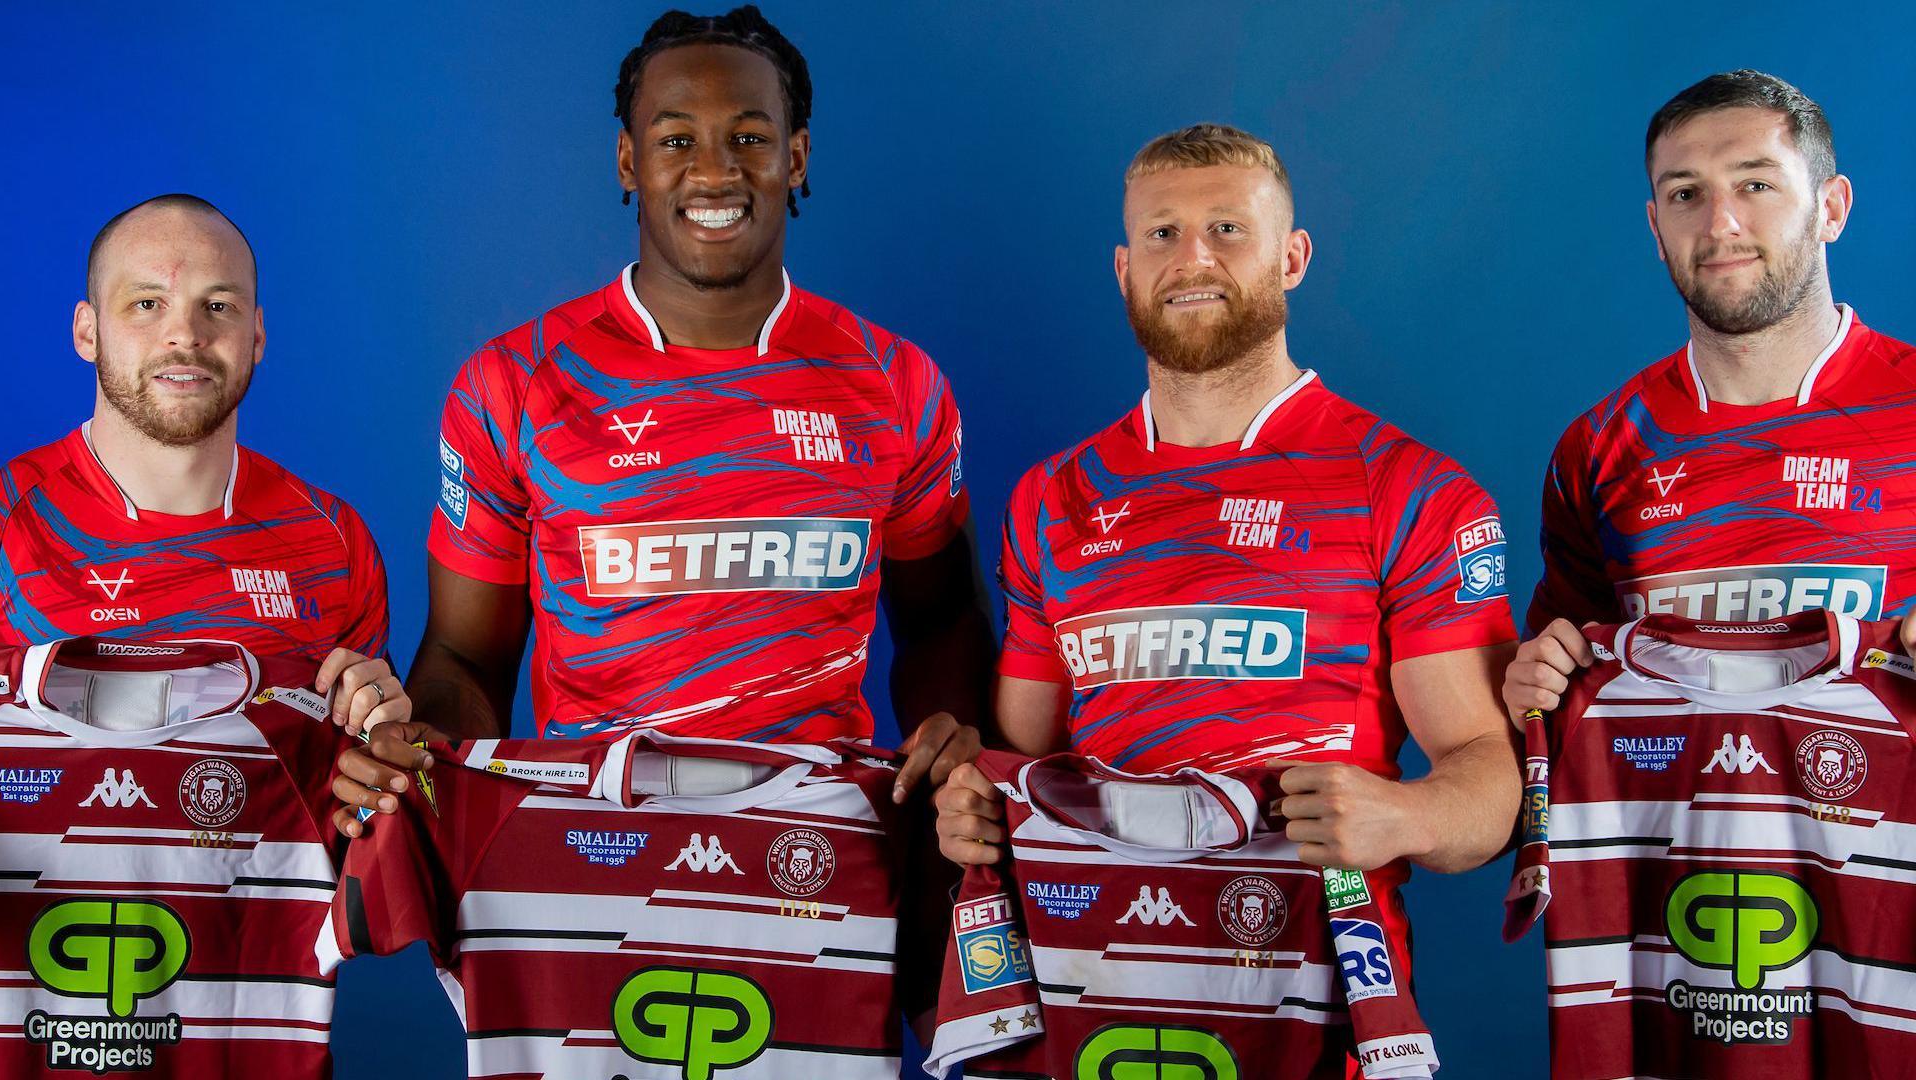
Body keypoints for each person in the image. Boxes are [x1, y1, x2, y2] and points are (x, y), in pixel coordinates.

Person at [328, 6, 993, 834]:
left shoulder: (898, 383)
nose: (714, 174)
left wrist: (951, 738)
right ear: (628, 161)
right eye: (676, 140)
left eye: (749, 138)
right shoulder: (513, 384)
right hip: (592, 837)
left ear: (797, 157)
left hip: (821, 846)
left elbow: (940, 625)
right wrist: (418, 753)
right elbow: (468, 657)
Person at [934, 124, 1519, 892]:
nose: (1192, 259)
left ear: (1292, 257)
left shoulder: (1407, 490)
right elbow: (1019, 760)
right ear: (1124, 269)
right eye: (1162, 234)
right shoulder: (1053, 499)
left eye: (1227, 230)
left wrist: (1410, 818)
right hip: (1091, 958)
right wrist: (972, 804)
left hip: (1311, 964)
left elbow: (1490, 773)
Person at [1504, 70, 1916, 722]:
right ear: (1656, 227)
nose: (1720, 224)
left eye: (1755, 185)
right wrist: (1531, 685)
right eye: (1686, 193)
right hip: (1671, 824)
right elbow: (1558, 693)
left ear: (1830, 208)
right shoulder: (1600, 448)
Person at [0, 194, 406, 732]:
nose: (186, 334)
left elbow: (366, 770)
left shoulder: (334, 540)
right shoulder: (8, 519)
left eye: (217, 306)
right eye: (147, 304)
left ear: (255, 335)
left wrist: (383, 735)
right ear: (87, 332)